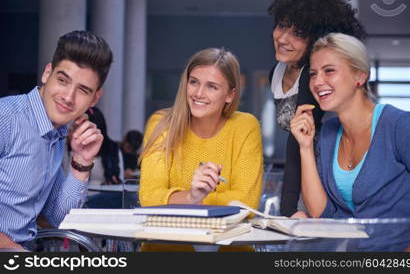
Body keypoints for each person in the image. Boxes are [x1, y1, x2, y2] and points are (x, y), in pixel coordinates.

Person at [290, 33, 410, 251]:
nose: (318, 82)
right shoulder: (329, 132)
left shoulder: (399, 126)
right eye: (313, 73)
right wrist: (305, 146)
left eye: (329, 70)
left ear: (360, 76)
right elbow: (322, 213)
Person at [139, 47, 263, 251]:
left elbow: (246, 204)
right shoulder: (161, 124)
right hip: (166, 252)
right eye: (194, 81)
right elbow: (149, 198)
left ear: (230, 95)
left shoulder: (245, 126)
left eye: (212, 87)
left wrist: (186, 201)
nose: (198, 93)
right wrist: (191, 197)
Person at [0, 30, 113, 250]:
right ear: (47, 73)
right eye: (63, 80)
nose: (68, 97)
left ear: (95, 98)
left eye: (83, 90)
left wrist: (81, 162)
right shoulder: (6, 118)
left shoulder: (55, 134)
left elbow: (59, 217)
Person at [267, 0, 366, 217]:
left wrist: (288, 211)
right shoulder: (276, 73)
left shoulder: (311, 78)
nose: (282, 38)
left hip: (330, 181)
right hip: (306, 173)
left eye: (297, 33)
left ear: (316, 39)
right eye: (281, 26)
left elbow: (296, 143)